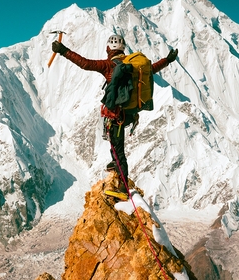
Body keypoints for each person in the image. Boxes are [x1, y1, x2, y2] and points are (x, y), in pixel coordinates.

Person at [52, 34, 178, 195]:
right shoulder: (132, 64)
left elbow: (84, 63)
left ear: (108, 49)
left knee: (118, 148)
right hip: (130, 114)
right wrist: (168, 60)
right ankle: (115, 164)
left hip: (116, 115)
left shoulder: (108, 65)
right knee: (115, 142)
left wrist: (63, 50)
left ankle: (123, 187)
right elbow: (151, 69)